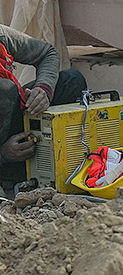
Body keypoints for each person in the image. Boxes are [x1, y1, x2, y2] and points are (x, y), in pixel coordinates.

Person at [0, 23, 87, 187]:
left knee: (72, 80)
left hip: (8, 120)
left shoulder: (2, 35)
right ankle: (9, 172)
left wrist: (43, 90)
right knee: (5, 90)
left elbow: (47, 53)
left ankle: (59, 166)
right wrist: (3, 155)